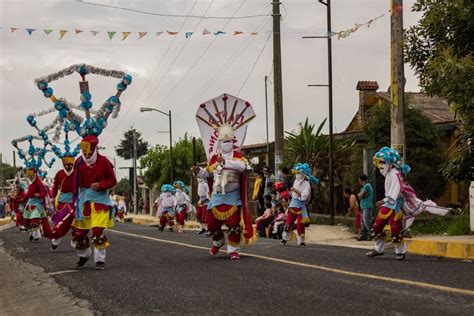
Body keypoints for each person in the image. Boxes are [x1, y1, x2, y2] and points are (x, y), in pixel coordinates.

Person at [193, 123, 254, 260]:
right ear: (220, 143)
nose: (227, 144)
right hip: (217, 197)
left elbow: (243, 167)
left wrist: (225, 162)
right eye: (224, 141)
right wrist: (199, 172)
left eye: (229, 141)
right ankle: (218, 242)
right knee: (211, 224)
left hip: (233, 197)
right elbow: (208, 175)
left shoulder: (238, 157)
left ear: (233, 142)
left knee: (234, 224)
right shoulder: (214, 158)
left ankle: (233, 250)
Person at [72, 135, 117, 270]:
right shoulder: (79, 162)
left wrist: (101, 184)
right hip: (84, 200)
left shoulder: (104, 161)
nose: (87, 154)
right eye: (85, 151)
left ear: (95, 148)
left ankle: (100, 260)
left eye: (90, 151)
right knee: (79, 233)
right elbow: (74, 182)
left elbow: (112, 181)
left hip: (100, 200)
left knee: (97, 230)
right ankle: (84, 254)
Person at [366, 147, 407, 260]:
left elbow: (395, 191)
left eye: (383, 162)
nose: (380, 165)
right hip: (388, 203)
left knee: (395, 228)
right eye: (380, 162)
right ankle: (379, 249)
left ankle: (400, 251)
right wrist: (385, 201)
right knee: (377, 225)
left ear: (390, 161)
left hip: (395, 204)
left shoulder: (395, 174)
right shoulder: (389, 173)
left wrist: (384, 200)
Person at [281, 163, 319, 247]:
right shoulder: (295, 181)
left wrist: (295, 190)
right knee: (288, 222)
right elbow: (292, 195)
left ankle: (301, 241)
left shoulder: (307, 184)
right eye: (296, 173)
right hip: (293, 205)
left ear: (303, 174)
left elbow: (304, 197)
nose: (296, 174)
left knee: (300, 224)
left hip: (301, 207)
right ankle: (284, 238)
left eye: (298, 173)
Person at [49, 153, 77, 251]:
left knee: (76, 222)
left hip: (74, 201)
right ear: (63, 164)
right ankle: (55, 241)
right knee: (61, 223)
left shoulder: (77, 173)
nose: (68, 166)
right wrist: (53, 197)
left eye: (70, 164)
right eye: (66, 164)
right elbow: (55, 186)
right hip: (62, 202)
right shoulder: (59, 173)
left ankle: (75, 241)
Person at [22, 166, 48, 242]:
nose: (30, 177)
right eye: (29, 176)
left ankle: (37, 236)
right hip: (29, 204)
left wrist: (39, 195)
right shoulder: (31, 183)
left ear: (35, 174)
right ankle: (33, 233)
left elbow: (44, 192)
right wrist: (23, 200)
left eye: (31, 175)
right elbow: (28, 194)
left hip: (36, 204)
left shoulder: (38, 182)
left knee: (34, 219)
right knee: (26, 221)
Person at [357, 174, 374, 241]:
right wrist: (361, 195)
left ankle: (371, 233)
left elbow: (360, 196)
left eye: (359, 180)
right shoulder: (363, 187)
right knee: (363, 222)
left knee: (367, 221)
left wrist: (361, 195)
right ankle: (363, 235)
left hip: (367, 205)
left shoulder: (367, 185)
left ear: (361, 179)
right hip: (363, 206)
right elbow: (360, 195)